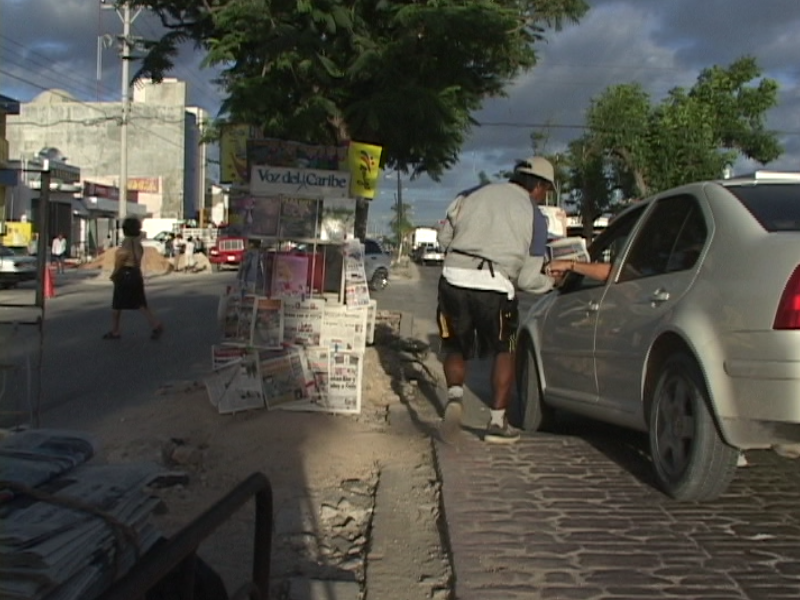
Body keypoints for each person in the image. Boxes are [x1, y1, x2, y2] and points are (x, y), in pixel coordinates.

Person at [436, 156, 556, 444]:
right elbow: (528, 280)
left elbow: (443, 240)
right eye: (546, 191)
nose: (544, 197)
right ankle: (497, 422)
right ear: (538, 187)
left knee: (453, 343)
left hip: (452, 281)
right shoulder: (535, 217)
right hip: (496, 288)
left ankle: (454, 398)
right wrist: (552, 281)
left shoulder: (470, 194)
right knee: (507, 349)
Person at [104, 217, 164, 340]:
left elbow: (122, 257)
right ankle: (155, 324)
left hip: (125, 273)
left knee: (117, 304)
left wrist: (115, 273)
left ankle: (115, 330)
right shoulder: (138, 244)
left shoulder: (126, 243)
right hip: (136, 273)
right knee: (141, 303)